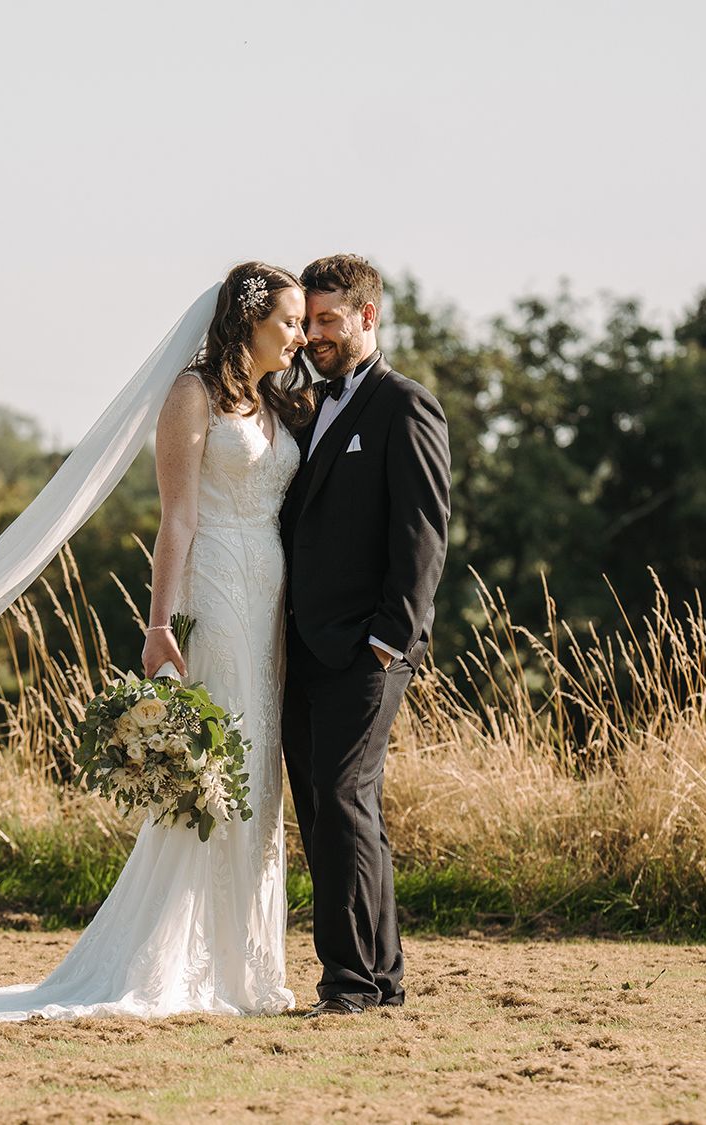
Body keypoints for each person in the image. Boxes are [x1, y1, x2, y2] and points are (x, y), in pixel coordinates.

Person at [0, 262, 310, 1019]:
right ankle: (197, 968)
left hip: (271, 600)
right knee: (221, 772)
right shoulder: (191, 393)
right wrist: (159, 624)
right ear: (248, 321)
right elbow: (177, 517)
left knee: (262, 776)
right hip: (219, 591)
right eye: (289, 320)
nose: (300, 334)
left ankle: (249, 967)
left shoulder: (279, 401)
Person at [278, 254, 451, 1017]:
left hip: (366, 649)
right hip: (298, 648)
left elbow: (423, 534)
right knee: (333, 809)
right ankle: (382, 979)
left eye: (326, 320)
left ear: (367, 317)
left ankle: (346, 985)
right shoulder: (306, 404)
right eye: (306, 321)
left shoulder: (404, 406)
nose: (312, 334)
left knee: (342, 799)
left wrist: (391, 639)